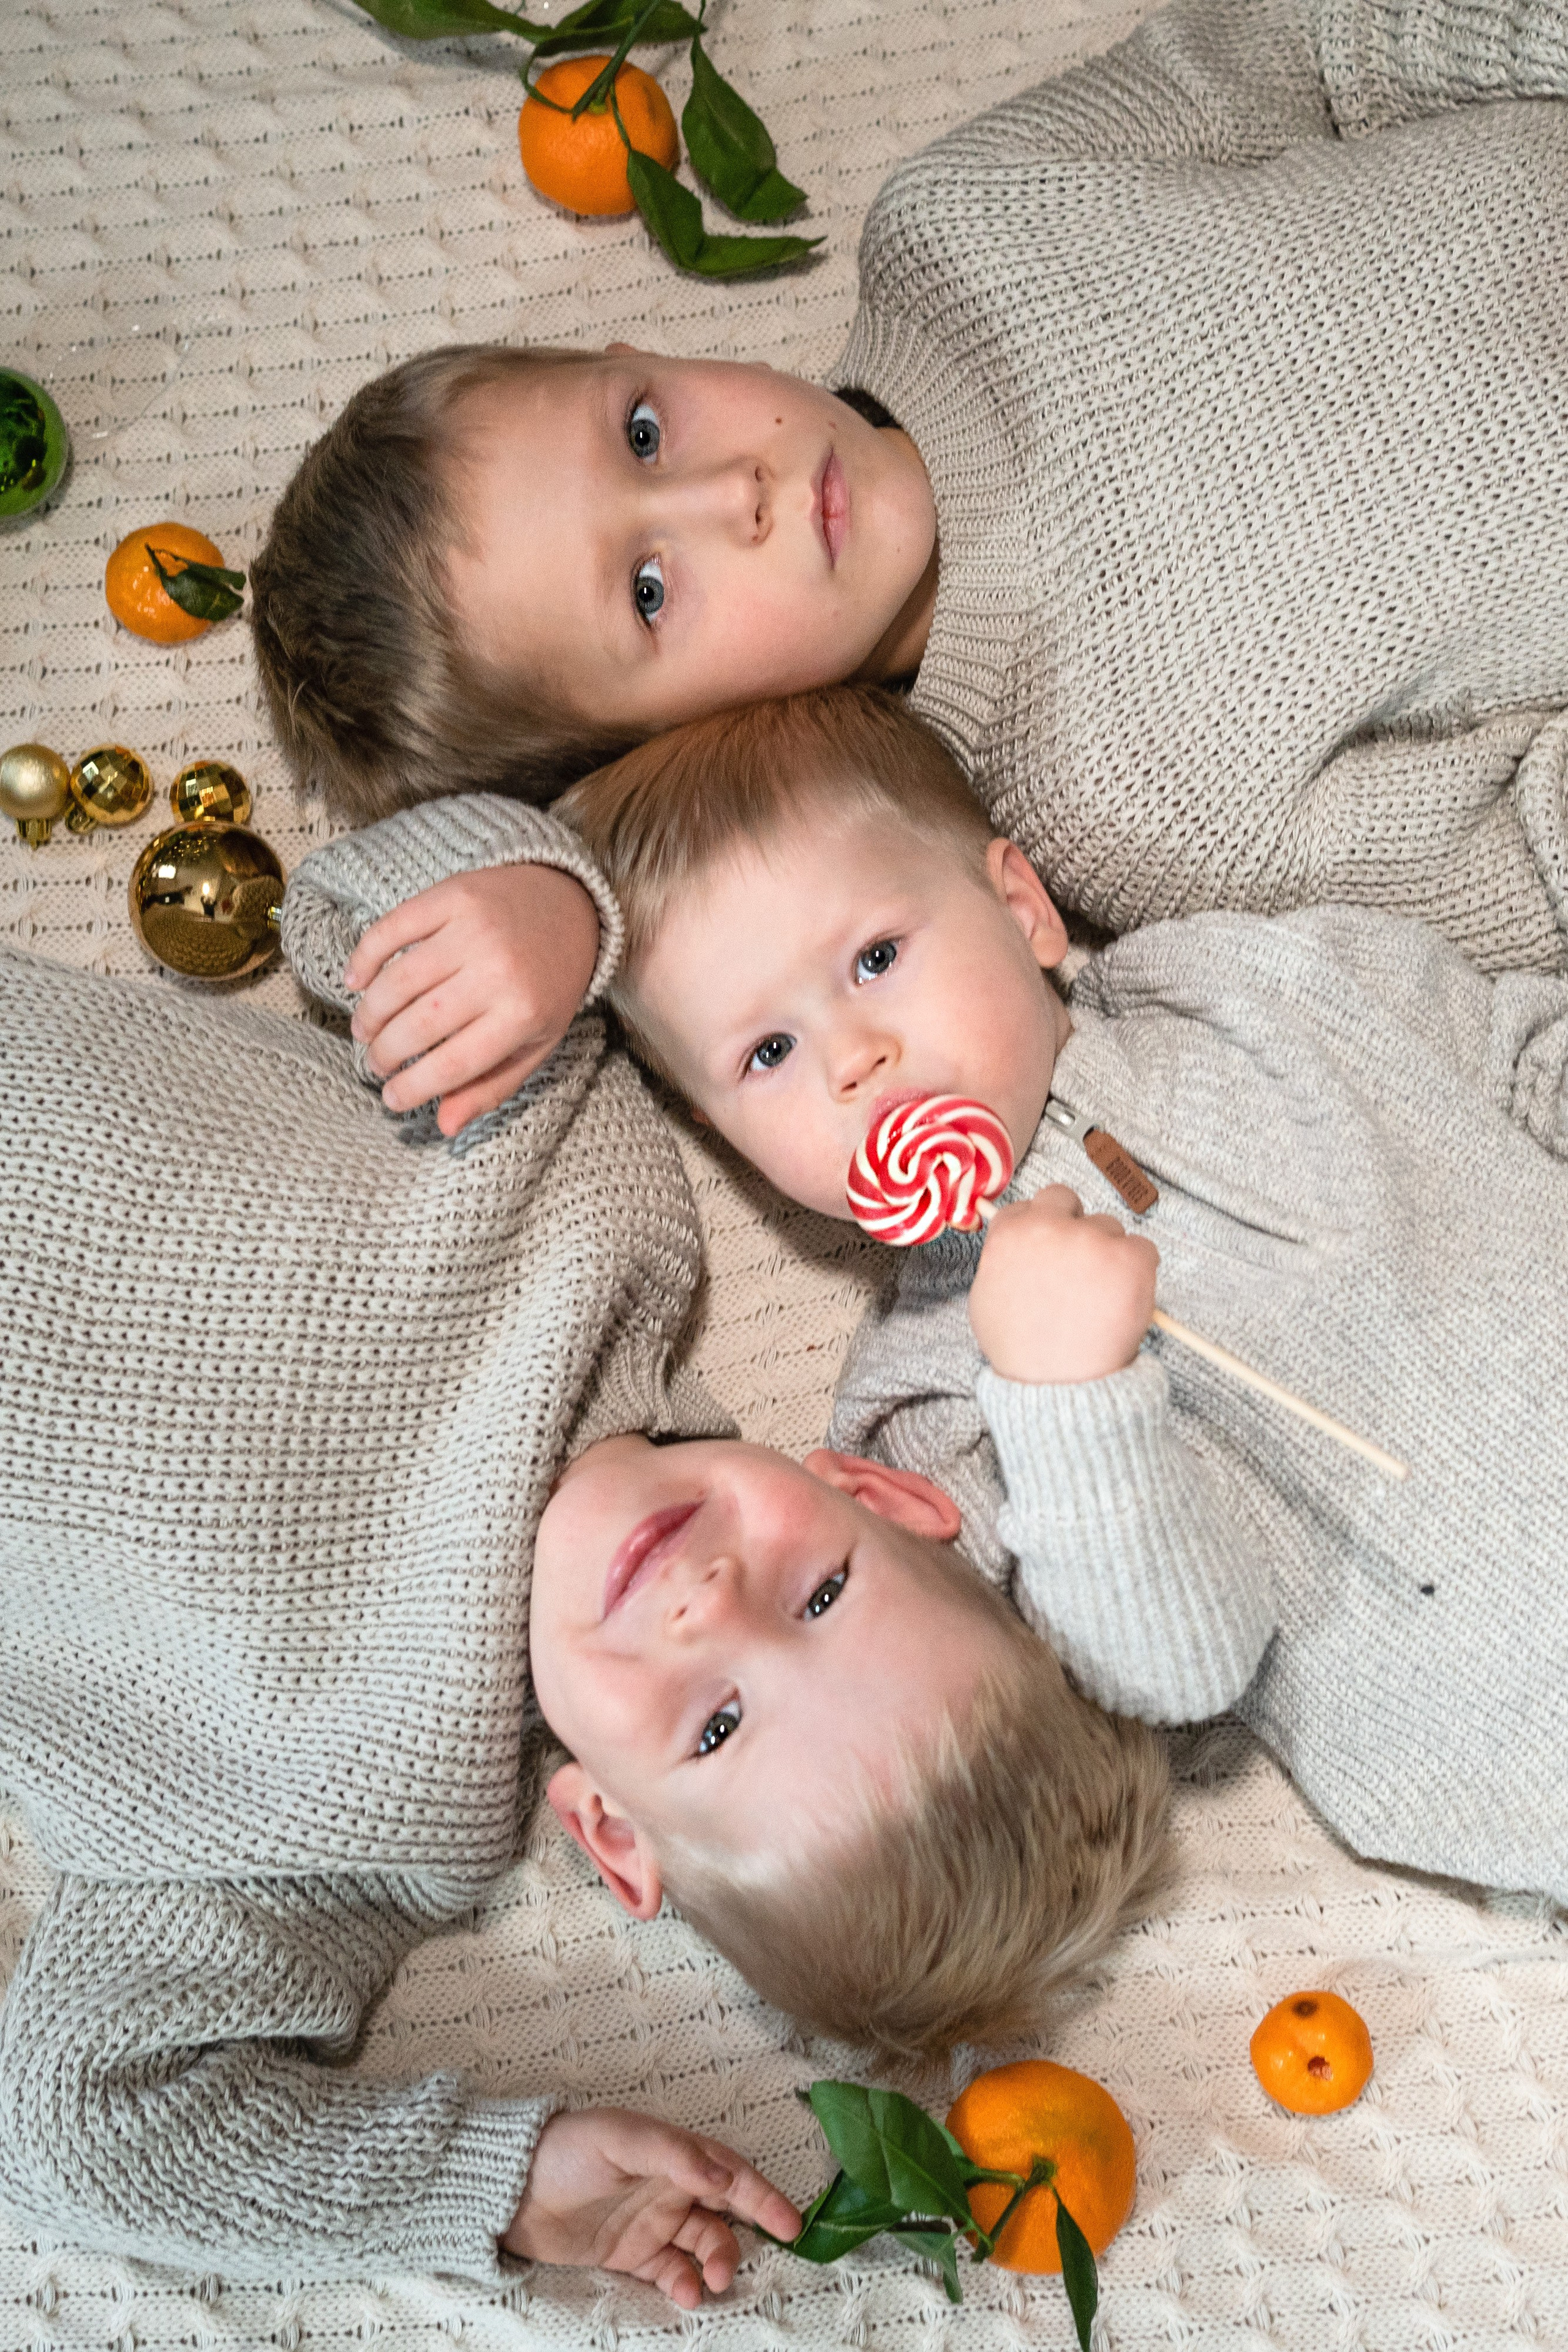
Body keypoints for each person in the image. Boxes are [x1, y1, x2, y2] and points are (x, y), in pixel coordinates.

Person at [0, 804, 1165, 2288]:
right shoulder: (601, 1212)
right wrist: (543, 908)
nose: (707, 1604)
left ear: (611, 1831)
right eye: (818, 1593)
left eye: (717, 1725)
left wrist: (494, 2182)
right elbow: (355, 908)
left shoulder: (353, 1840)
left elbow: (77, 2128)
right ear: (874, 1494)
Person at [246, 0, 1568, 1139]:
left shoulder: (965, 220)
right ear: (688, 732)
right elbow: (1517, 874)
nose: (731, 493)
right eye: (649, 593)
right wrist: (554, 904)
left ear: (628, 352)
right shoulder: (1109, 796)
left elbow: (1312, 42)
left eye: (643, 433)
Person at [552, 684, 1568, 1907]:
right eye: (768, 1054)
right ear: (725, 1138)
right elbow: (1173, 1675)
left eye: (875, 960)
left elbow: (1519, 1052)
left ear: (1022, 908)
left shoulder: (1244, 990)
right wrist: (1066, 1402)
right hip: (1516, 1743)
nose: (853, 1057)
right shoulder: (924, 1411)